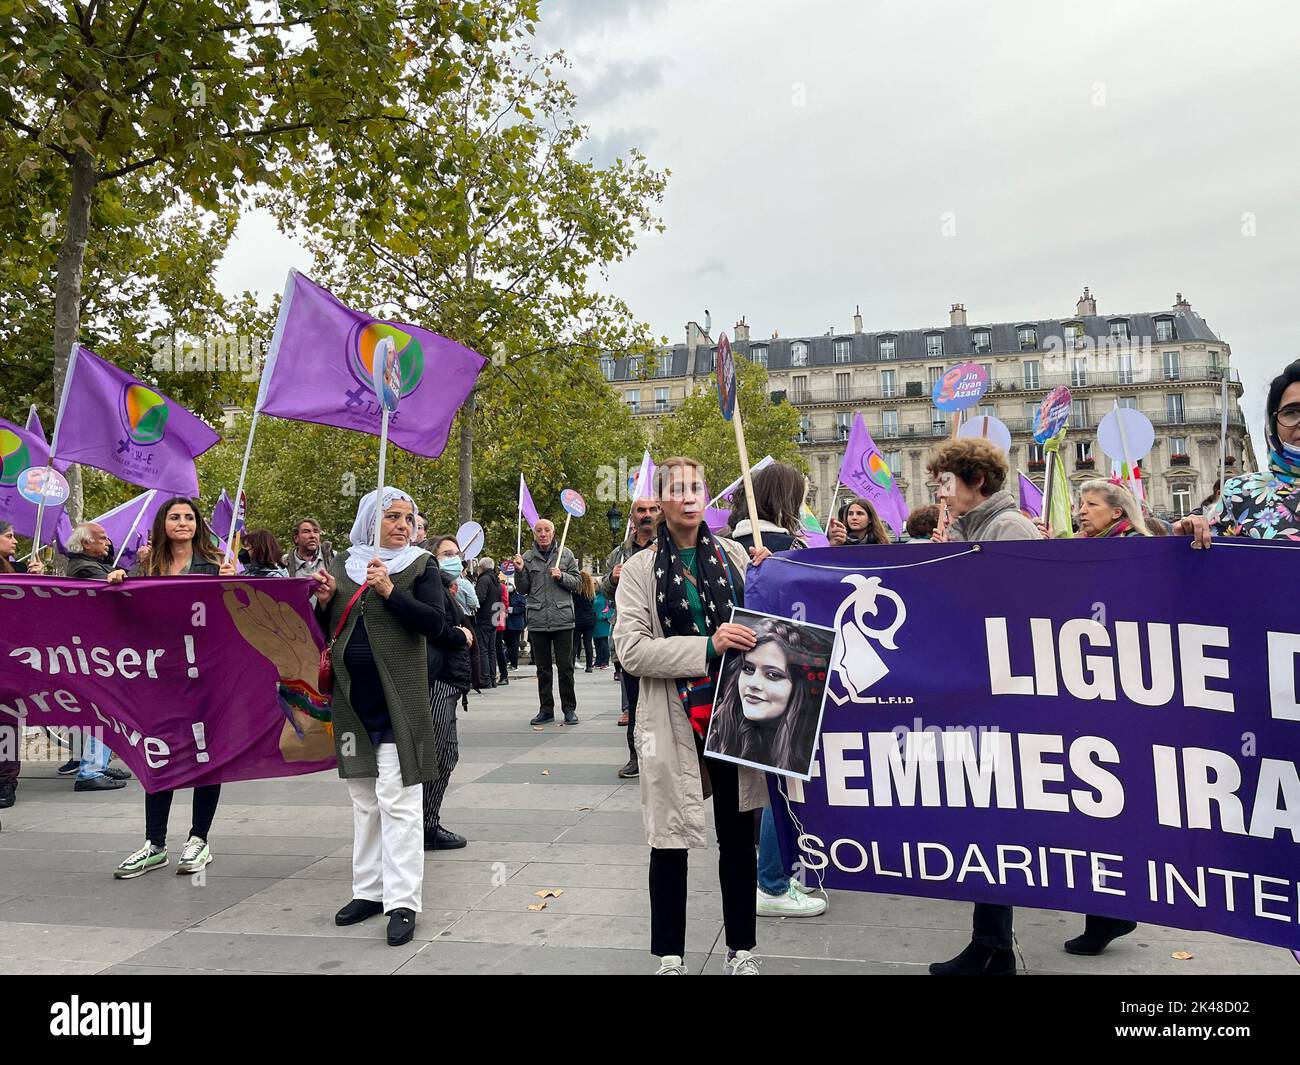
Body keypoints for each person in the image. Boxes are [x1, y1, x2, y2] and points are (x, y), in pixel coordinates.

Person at [612, 456, 773, 976]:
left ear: (708, 496)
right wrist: (707, 645)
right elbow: (630, 650)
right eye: (677, 489)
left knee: (737, 835)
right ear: (660, 501)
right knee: (670, 837)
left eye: (696, 487)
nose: (688, 496)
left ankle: (741, 950)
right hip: (671, 715)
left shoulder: (735, 558)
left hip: (736, 713)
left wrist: (774, 575)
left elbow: (772, 623)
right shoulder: (638, 570)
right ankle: (670, 957)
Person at [312, 487, 443, 946]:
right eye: (391, 516)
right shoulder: (346, 568)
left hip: (399, 702)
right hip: (352, 703)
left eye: (408, 517)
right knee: (364, 800)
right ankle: (368, 890)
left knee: (400, 800)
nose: (402, 525)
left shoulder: (421, 566)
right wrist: (324, 602)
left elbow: (435, 623)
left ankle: (403, 901)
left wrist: (389, 591)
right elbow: (326, 632)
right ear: (370, 521)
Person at [724, 463, 827, 921]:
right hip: (785, 670)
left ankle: (766, 874)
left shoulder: (726, 545)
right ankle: (772, 880)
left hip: (739, 675)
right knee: (779, 781)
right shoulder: (784, 548)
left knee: (758, 779)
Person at [114, 498, 236, 880]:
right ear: (162, 524)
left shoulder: (217, 564)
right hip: (160, 672)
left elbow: (234, 617)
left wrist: (232, 587)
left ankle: (199, 839)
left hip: (206, 672)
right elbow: (128, 617)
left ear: (198, 524)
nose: (182, 523)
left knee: (206, 753)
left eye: (188, 517)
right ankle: (155, 844)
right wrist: (117, 584)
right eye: (174, 517)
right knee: (158, 752)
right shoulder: (145, 567)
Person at [59, 522, 133, 792]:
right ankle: (90, 770)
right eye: (102, 538)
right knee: (104, 708)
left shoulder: (88, 564)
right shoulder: (85, 569)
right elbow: (118, 591)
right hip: (95, 648)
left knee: (100, 709)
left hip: (95, 646)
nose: (108, 542)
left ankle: (94, 763)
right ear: (86, 543)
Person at [422, 535, 477, 851]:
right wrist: (459, 635)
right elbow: (435, 627)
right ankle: (424, 826)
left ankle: (427, 821)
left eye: (457, 553)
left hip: (450, 679)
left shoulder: (450, 588)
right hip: (437, 676)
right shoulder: (431, 587)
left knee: (446, 753)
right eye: (446, 554)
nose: (454, 558)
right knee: (440, 753)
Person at [602, 496, 661, 775]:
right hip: (632, 637)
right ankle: (639, 757)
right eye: (641, 510)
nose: (647, 515)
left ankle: (668, 758)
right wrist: (612, 579)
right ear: (632, 518)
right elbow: (603, 590)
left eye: (652, 510)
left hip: (665, 635)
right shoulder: (619, 553)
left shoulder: (669, 547)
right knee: (637, 704)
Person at [513, 519, 580, 726]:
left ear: (553, 532)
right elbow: (523, 589)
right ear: (534, 534)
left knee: (565, 667)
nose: (543, 534)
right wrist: (520, 571)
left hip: (562, 619)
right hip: (538, 619)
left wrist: (562, 577)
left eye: (546, 530)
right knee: (542, 669)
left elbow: (577, 583)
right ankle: (546, 709)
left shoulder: (566, 554)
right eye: (538, 530)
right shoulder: (527, 557)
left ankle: (569, 709)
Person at [0, 521, 48, 812]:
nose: (15, 541)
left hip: (10, 659)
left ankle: (6, 782)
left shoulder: (18, 572)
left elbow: (34, 613)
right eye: (8, 535)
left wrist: (37, 583)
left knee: (6, 723)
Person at [1077, 480, 1152, 538]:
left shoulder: (1137, 543)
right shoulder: (1078, 543)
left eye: (1092, 504)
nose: (1081, 511)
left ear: (1117, 513)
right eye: (1081, 505)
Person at [473, 558, 502, 690]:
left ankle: (485, 679)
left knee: (483, 650)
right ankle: (492, 678)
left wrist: (475, 610)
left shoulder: (484, 580)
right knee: (492, 650)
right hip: (494, 617)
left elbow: (479, 598)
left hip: (484, 618)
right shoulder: (496, 580)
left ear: (482, 567)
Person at [827, 496, 892, 546]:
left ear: (870, 519)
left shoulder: (881, 543)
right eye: (850, 514)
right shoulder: (839, 540)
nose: (854, 517)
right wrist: (833, 546)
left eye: (859, 513)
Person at [572, 570, 598, 673]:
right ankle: (589, 666)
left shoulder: (575, 592)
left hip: (578, 619)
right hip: (590, 619)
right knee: (588, 643)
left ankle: (571, 663)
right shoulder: (591, 592)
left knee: (575, 643)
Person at [504, 580, 527, 669]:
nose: (507, 586)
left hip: (515, 624)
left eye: (509, 584)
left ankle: (514, 664)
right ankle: (508, 661)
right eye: (506, 584)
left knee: (514, 645)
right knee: (507, 644)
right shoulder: (504, 595)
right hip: (506, 624)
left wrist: (512, 610)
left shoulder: (519, 596)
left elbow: (522, 608)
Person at [495, 576, 510, 685]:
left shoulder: (500, 587)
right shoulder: (502, 587)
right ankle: (503, 674)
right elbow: (505, 602)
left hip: (495, 617)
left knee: (497, 647)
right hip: (499, 617)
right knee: (498, 647)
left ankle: (503, 675)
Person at [593, 587, 613, 669]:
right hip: (596, 622)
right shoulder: (595, 596)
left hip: (603, 622)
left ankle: (605, 661)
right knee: (597, 642)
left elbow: (612, 608)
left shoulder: (606, 596)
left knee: (604, 643)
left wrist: (606, 616)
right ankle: (598, 661)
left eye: (595, 584)